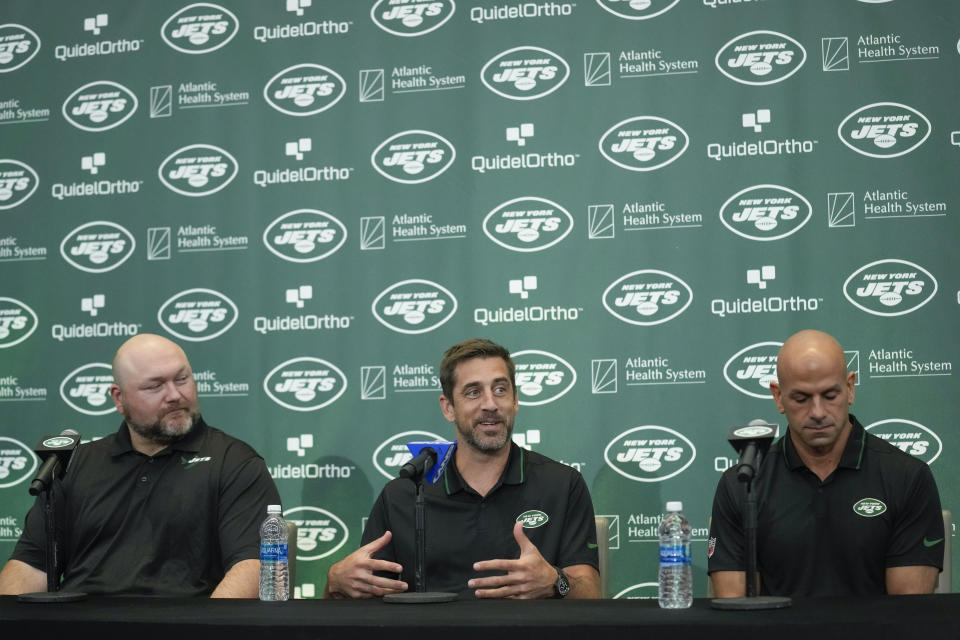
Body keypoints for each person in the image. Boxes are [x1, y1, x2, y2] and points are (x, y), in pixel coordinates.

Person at [0, 333, 281, 597]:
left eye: (182, 379)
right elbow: (30, 566)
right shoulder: (74, 464)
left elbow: (252, 567)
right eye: (155, 386)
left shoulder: (234, 462)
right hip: (80, 625)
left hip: (183, 626)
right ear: (119, 398)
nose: (174, 395)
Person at [324, 338, 601, 599]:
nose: (490, 404)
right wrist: (334, 583)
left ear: (515, 401)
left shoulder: (562, 485)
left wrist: (555, 582)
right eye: (473, 392)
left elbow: (591, 591)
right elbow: (354, 605)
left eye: (500, 389)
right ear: (448, 408)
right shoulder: (404, 495)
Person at [708, 329, 944, 597]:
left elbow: (908, 613)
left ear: (850, 388)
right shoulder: (743, 484)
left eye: (830, 395)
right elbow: (734, 610)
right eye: (801, 398)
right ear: (778, 396)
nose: (817, 412)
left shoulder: (906, 477)